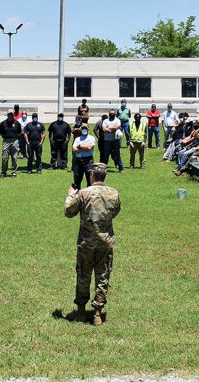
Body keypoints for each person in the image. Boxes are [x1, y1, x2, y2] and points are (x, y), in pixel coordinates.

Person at [64, 162, 121, 326]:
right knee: (103, 276)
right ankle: (97, 313)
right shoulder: (114, 193)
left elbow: (69, 211)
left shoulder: (83, 193)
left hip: (86, 243)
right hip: (105, 242)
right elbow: (115, 211)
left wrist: (70, 195)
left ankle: (81, 312)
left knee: (83, 275)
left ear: (92, 175)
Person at [71, 124, 96, 189]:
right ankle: (77, 195)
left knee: (90, 180)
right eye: (83, 128)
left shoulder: (91, 138)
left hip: (89, 161)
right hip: (79, 160)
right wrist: (85, 147)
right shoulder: (77, 139)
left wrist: (79, 146)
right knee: (77, 180)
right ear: (80, 129)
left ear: (88, 129)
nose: (84, 130)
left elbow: (89, 147)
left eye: (85, 128)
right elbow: (74, 149)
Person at [0, 111, 22, 178]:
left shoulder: (17, 123)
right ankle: (3, 172)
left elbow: (20, 132)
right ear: (7, 115)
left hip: (14, 141)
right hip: (6, 141)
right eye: (9, 114)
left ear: (13, 115)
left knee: (14, 157)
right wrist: (6, 137)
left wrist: (14, 137)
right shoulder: (3, 123)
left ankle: (14, 172)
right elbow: (0, 132)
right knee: (5, 157)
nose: (10, 116)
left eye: (11, 115)